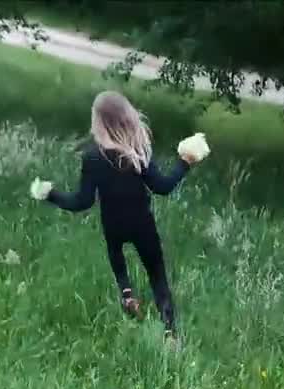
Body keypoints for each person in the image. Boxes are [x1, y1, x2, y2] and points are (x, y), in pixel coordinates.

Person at [36, 91, 201, 340]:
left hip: (113, 224)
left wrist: (51, 195)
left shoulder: (93, 157)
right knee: (157, 275)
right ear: (127, 116)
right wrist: (185, 163)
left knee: (116, 253)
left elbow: (82, 202)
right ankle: (170, 332)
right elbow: (163, 187)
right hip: (141, 223)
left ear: (98, 122)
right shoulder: (138, 150)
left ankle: (127, 295)